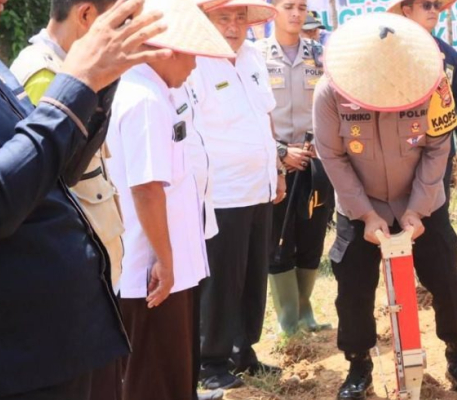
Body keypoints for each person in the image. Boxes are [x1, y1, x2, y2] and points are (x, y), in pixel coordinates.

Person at [0, 0, 171, 398]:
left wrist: (101, 79)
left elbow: (56, 171)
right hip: (22, 362)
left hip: (64, 341)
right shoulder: (37, 66)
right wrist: (77, 81)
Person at [313, 13, 457, 399]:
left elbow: (439, 146)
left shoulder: (434, 85)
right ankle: (358, 365)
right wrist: (367, 214)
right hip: (360, 204)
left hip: (422, 201)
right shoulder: (329, 91)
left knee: (447, 280)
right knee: (353, 285)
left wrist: (418, 209)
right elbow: (333, 158)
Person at [104, 1, 234, 399]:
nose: (195, 65)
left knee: (173, 371)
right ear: (166, 51)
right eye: (191, 54)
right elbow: (147, 187)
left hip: (167, 262)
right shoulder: (143, 99)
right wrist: (164, 257)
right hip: (154, 269)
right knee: (154, 377)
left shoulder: (154, 91)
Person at [192, 0, 285, 390]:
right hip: (222, 192)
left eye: (239, 17)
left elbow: (266, 116)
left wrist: (277, 171)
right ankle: (210, 362)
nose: (233, 26)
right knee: (222, 279)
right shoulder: (194, 62)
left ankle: (243, 351)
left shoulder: (251, 57)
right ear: (207, 20)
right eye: (224, 18)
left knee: (253, 275)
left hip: (260, 187)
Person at [10, 0, 126, 291]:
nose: (122, 34)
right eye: (118, 22)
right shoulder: (44, 75)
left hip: (95, 246)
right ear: (86, 15)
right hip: (73, 260)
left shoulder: (66, 67)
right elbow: (49, 182)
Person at [259, 0, 334, 335]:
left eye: (302, 7)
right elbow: (251, 113)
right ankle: (288, 321)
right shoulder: (255, 55)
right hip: (275, 161)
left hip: (315, 159)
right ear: (273, 10)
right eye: (288, 6)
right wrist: (278, 151)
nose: (296, 14)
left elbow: (336, 102)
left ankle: (306, 313)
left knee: (312, 235)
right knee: (278, 240)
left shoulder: (321, 53)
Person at [388, 0, 457, 207]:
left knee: (437, 214)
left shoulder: (449, 53)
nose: (433, 10)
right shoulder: (392, 51)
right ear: (407, 10)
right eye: (426, 5)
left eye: (436, 5)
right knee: (401, 215)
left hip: (440, 149)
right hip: (403, 149)